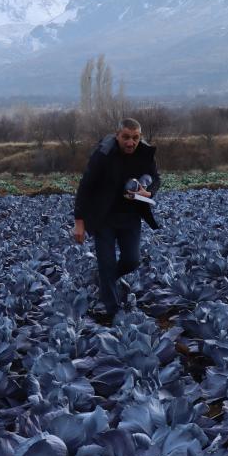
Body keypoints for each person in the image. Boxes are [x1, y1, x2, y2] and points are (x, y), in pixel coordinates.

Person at [72, 118, 162, 318]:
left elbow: (156, 178)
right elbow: (85, 187)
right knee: (106, 263)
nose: (131, 142)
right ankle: (114, 313)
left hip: (130, 215)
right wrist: (79, 222)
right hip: (103, 217)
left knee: (132, 260)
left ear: (140, 137)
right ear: (117, 135)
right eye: (126, 137)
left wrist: (148, 192)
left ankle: (105, 280)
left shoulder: (145, 153)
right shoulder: (103, 154)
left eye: (135, 138)